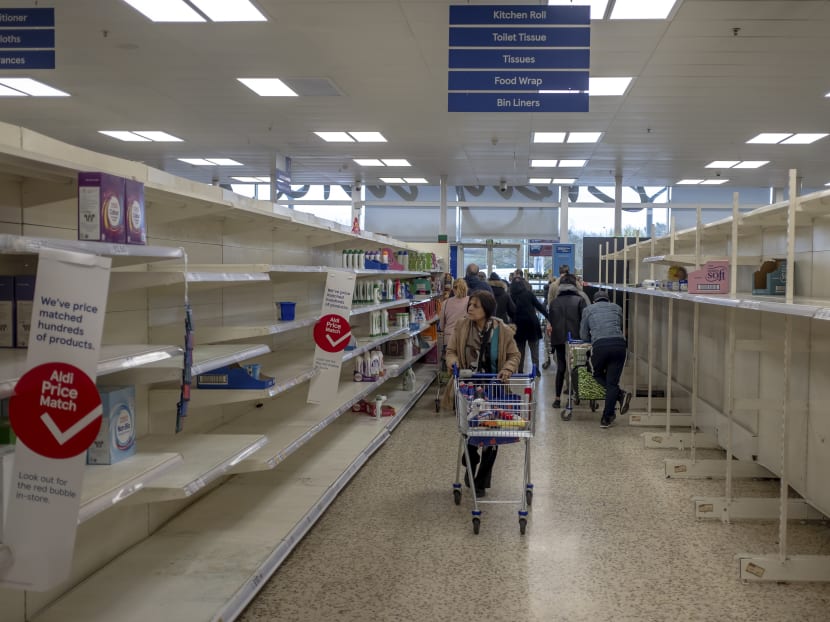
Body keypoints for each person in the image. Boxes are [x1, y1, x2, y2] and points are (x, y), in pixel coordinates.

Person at [444, 290, 520, 496]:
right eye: (470, 304)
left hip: (494, 389)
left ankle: (480, 482)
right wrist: (454, 364)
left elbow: (514, 355)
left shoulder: (501, 330)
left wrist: (507, 369)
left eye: (475, 306)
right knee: (470, 433)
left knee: (492, 437)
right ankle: (470, 462)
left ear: (486, 309)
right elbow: (450, 352)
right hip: (469, 389)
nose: (470, 308)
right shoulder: (461, 326)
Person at [579, 290, 632, 428]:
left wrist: (593, 335)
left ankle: (620, 395)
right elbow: (619, 326)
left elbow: (583, 335)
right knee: (612, 383)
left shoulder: (588, 309)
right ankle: (606, 417)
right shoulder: (617, 308)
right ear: (607, 300)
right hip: (620, 345)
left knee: (594, 372)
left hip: (601, 346)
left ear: (594, 301)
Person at [547, 273, 587, 409]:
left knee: (561, 368)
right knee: (577, 367)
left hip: (558, 338)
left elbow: (551, 321)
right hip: (576, 339)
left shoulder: (554, 302)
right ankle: (576, 394)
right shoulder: (580, 301)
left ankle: (557, 399)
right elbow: (584, 321)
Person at [508, 277, 551, 376]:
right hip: (532, 324)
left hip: (518, 326)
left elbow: (510, 312)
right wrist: (549, 317)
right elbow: (539, 306)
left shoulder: (511, 296)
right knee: (534, 349)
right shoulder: (529, 294)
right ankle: (536, 370)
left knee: (520, 350)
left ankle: (519, 370)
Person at [439, 278, 469, 347]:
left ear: (453, 289)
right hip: (465, 338)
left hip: (449, 338)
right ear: (466, 288)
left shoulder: (445, 303)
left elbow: (441, 326)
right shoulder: (471, 301)